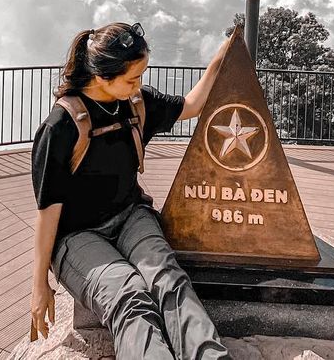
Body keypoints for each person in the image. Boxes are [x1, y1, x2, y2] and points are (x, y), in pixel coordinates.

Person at [29, 21, 232, 359]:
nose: (138, 85)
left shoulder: (137, 104)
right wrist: (39, 284)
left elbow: (192, 105)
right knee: (129, 296)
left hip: (130, 216)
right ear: (101, 76)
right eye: (131, 79)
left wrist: (223, 55)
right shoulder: (60, 127)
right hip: (76, 236)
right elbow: (48, 212)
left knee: (169, 280)